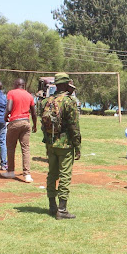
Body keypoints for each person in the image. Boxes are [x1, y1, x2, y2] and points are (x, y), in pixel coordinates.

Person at [41, 73, 81, 219]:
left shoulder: (46, 101)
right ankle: (62, 210)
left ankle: (52, 206)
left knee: (52, 174)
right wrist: (77, 146)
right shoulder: (69, 101)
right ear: (65, 85)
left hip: (50, 143)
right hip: (65, 145)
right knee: (64, 176)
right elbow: (74, 126)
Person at [2, 78, 37, 182]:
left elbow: (9, 108)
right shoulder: (29, 95)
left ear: (16, 84)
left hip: (15, 122)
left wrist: (5, 117)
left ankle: (10, 172)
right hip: (26, 123)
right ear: (23, 85)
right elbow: (34, 112)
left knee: (11, 147)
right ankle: (27, 175)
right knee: (25, 149)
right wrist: (35, 125)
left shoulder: (11, 93)